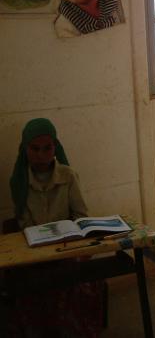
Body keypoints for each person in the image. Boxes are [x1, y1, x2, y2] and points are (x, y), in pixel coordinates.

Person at [6, 118, 104, 338]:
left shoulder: (68, 176)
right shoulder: (18, 181)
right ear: (24, 149)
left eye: (47, 148)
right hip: (35, 254)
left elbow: (80, 215)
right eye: (35, 148)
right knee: (29, 288)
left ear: (55, 147)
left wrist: (66, 238)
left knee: (78, 284)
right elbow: (24, 223)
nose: (41, 154)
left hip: (66, 248)